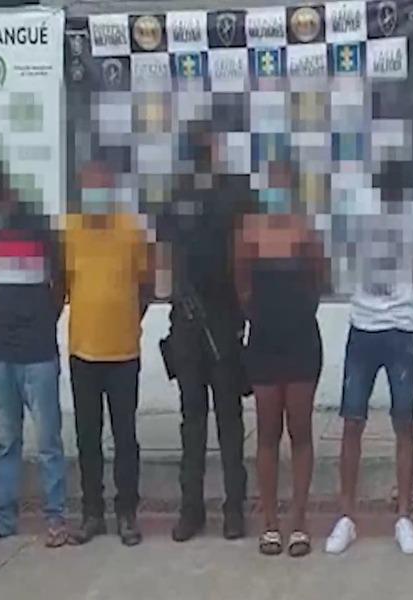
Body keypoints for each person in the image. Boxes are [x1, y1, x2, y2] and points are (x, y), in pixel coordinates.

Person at [324, 181, 413, 557]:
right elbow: (337, 256)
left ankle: (403, 516)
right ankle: (346, 516)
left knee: (404, 422)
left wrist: (408, 303)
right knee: (352, 422)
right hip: (363, 328)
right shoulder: (358, 213)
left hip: (401, 331)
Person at [0, 161, 68, 548]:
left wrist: (44, 321)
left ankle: (56, 518)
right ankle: (3, 519)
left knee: (48, 443)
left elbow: (60, 283)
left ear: (8, 192)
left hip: (38, 353)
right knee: (6, 443)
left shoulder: (40, 226)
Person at [158, 127, 249, 542]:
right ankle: (191, 510)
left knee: (229, 420)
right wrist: (175, 294)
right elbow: (165, 260)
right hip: (187, 323)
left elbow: (243, 255)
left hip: (224, 321)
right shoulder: (174, 197)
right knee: (192, 421)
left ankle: (234, 510)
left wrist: (241, 314)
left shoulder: (235, 194)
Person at [235, 158, 326, 557]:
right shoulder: (249, 230)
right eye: (272, 183)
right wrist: (259, 314)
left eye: (283, 183)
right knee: (267, 432)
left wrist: (299, 310)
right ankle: (270, 522)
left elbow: (320, 279)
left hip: (301, 340)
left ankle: (299, 520)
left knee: (300, 430)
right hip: (264, 342)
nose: (277, 191)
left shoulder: (306, 229)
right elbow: (241, 282)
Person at [64, 161, 152, 547]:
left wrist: (128, 318)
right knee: (88, 437)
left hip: (123, 352)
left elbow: (145, 286)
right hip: (83, 351)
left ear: (113, 190)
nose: (96, 195)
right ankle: (92, 514)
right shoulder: (69, 230)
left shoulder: (131, 230)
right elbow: (62, 285)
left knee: (125, 437)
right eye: (90, 188)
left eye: (103, 187)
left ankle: (127, 513)